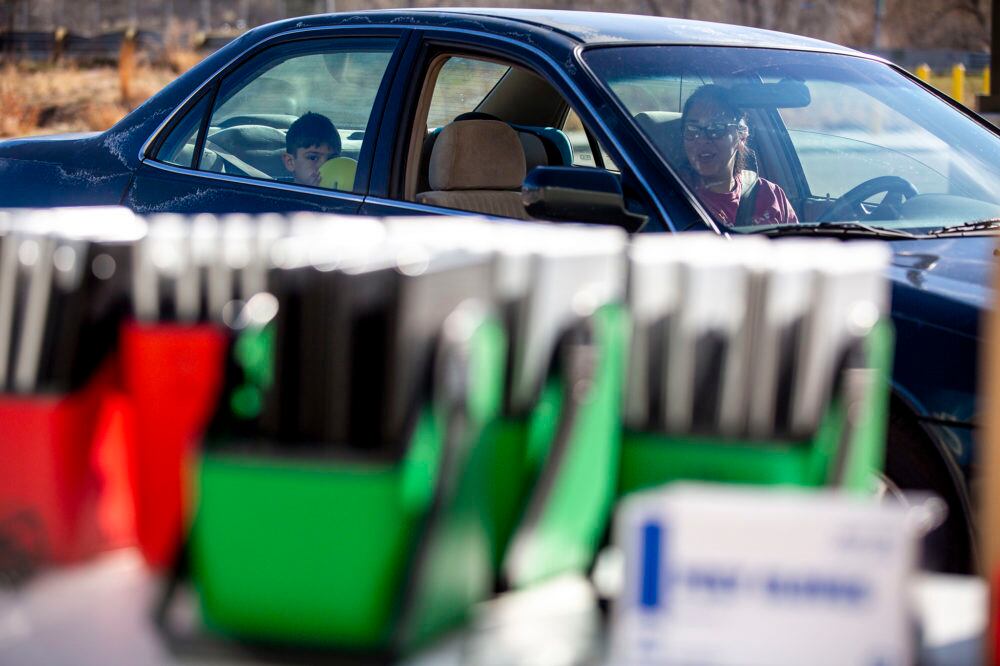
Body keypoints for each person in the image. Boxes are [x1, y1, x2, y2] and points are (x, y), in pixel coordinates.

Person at [679, 85, 798, 227]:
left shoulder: (771, 195)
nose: (702, 139)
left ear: (741, 136)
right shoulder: (671, 195)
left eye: (716, 128)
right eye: (692, 129)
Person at [282, 112, 339, 187]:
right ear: (290, 162)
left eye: (331, 159)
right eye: (313, 158)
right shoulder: (275, 195)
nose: (324, 165)